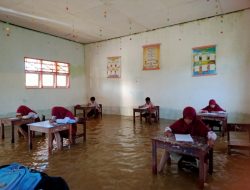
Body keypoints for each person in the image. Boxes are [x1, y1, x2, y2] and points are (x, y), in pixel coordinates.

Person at [158, 106, 217, 172]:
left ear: (194, 117)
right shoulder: (180, 122)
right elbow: (169, 128)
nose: (188, 120)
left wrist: (211, 139)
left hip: (196, 151)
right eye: (186, 118)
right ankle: (159, 170)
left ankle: (203, 180)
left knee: (203, 158)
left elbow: (211, 133)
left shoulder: (198, 123)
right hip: (183, 149)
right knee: (167, 149)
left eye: (190, 119)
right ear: (183, 116)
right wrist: (168, 132)